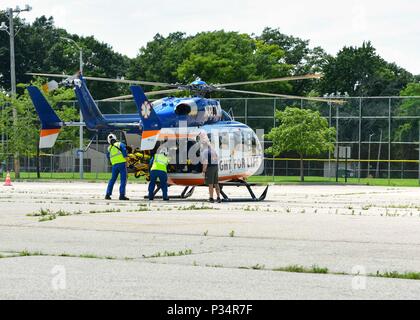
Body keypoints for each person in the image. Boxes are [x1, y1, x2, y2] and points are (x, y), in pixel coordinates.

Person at [105, 133, 129, 201]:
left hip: (114, 165)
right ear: (115, 138)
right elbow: (124, 152)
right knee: (123, 180)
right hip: (122, 164)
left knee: (112, 180)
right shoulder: (120, 144)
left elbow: (108, 156)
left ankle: (107, 194)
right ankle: (122, 195)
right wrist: (128, 162)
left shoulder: (109, 148)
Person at [201, 139, 221, 203]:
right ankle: (218, 197)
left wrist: (203, 171)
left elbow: (205, 162)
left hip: (210, 168)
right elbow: (217, 158)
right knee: (216, 183)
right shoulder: (213, 150)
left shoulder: (205, 152)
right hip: (215, 167)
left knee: (210, 184)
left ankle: (211, 198)